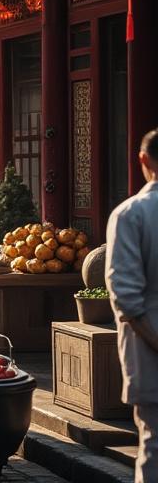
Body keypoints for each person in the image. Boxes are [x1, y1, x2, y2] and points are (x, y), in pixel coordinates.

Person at [106, 128, 158, 482]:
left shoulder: (131, 214)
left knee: (155, 447)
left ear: (143, 160)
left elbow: (127, 300)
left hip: (150, 346)